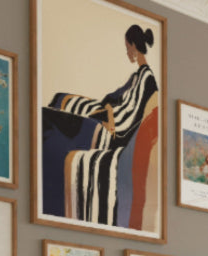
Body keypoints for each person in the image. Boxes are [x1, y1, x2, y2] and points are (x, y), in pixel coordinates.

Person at [42, 24, 159, 228]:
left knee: (61, 124)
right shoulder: (135, 76)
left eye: (128, 47)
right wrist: (107, 111)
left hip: (118, 132)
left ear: (134, 46)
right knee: (62, 101)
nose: (127, 52)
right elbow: (112, 98)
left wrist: (111, 119)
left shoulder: (147, 78)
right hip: (110, 118)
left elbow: (135, 114)